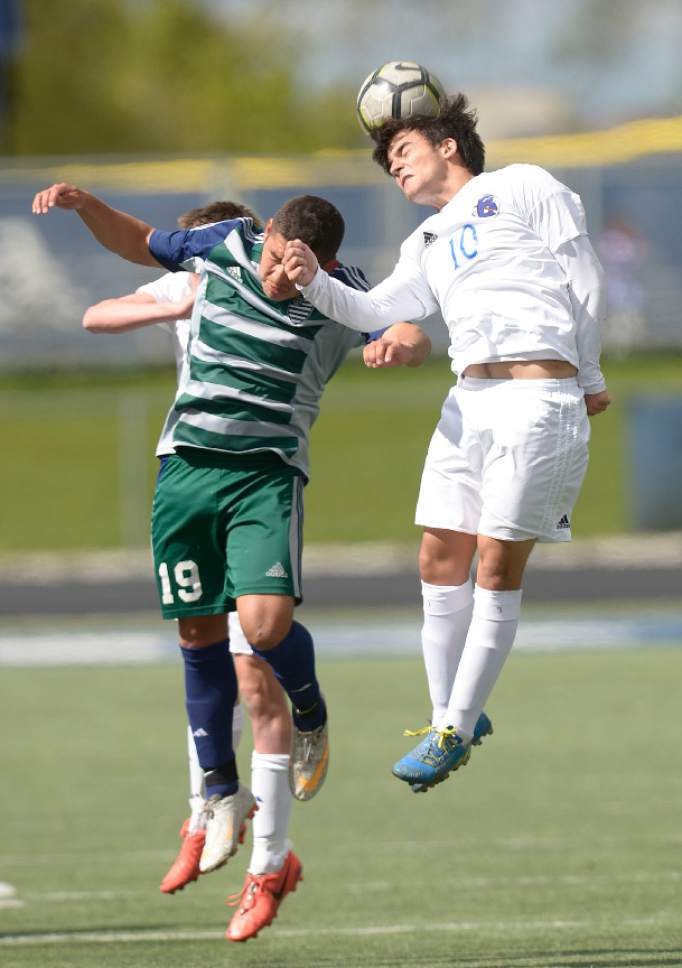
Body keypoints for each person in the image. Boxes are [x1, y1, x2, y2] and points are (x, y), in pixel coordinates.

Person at [33, 183, 431, 937]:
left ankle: (311, 716)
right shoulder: (225, 247)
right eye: (278, 258)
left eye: (298, 267)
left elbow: (409, 330)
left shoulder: (343, 293)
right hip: (187, 469)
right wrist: (86, 204)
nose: (281, 276)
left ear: (328, 261)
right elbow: (140, 240)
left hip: (265, 476)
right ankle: (217, 793)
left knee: (267, 626)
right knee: (196, 635)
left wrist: (399, 345)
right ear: (266, 234)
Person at [283, 93, 611, 794]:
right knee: (438, 551)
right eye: (387, 161)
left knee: (495, 564)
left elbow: (584, 274)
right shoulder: (424, 242)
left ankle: (453, 729)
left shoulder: (522, 185)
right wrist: (313, 281)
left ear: (449, 146)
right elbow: (372, 311)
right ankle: (449, 716)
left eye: (402, 150)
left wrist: (589, 374)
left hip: (536, 395)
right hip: (469, 401)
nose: (393, 165)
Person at [82, 199, 301, 941]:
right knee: (201, 652)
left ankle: (270, 860)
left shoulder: (272, 283)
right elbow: (97, 315)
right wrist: (170, 302)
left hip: (257, 479)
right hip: (191, 477)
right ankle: (209, 808)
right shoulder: (189, 279)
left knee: (254, 671)